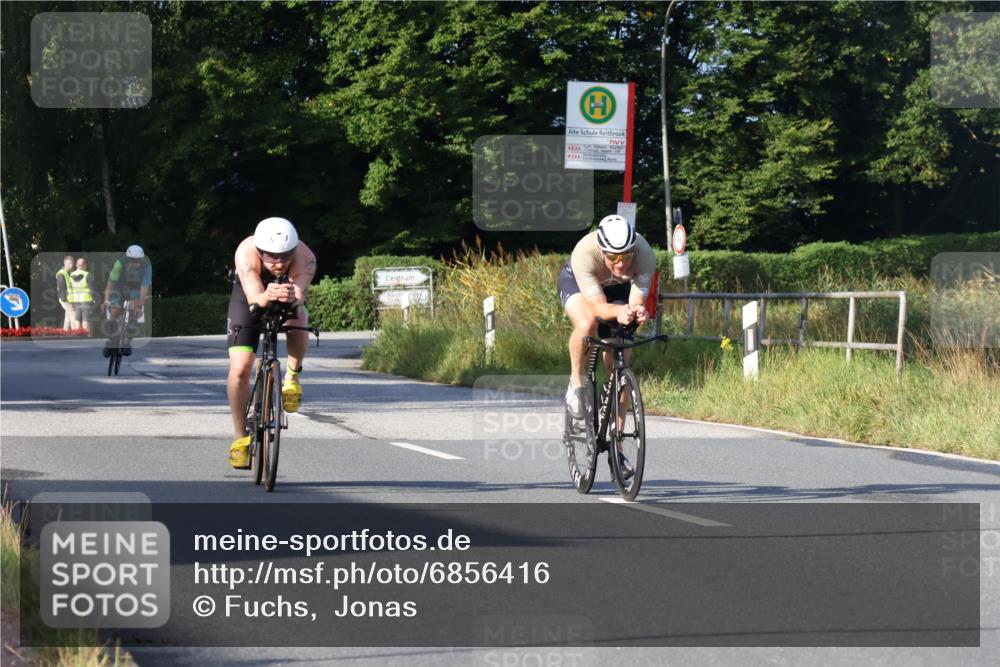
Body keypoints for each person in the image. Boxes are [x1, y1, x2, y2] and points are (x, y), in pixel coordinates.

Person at [557, 214, 657, 476]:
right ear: (602, 250)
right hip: (581, 289)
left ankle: (617, 446)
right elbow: (597, 306)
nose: (621, 263)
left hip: (618, 292)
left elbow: (636, 301)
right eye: (613, 257)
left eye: (626, 255)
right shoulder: (585, 253)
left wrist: (636, 312)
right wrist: (620, 310)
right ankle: (577, 382)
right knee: (588, 324)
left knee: (621, 354)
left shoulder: (645, 254)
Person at [227, 217, 316, 469]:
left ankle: (292, 378)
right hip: (248, 297)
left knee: (298, 322)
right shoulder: (246, 253)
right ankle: (240, 438)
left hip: (286, 296)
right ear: (259, 250)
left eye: (284, 256)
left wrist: (290, 298)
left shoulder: (305, 257)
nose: (278, 263)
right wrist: (266, 295)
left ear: (293, 250)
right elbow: (254, 298)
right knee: (240, 369)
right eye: (271, 256)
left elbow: (298, 296)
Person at [102, 245, 152, 357]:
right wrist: (106, 300)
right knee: (114, 312)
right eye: (132, 260)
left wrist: (140, 306)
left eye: (138, 261)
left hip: (136, 287)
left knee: (134, 310)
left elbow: (144, 287)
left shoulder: (146, 265)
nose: (135, 263)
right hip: (119, 286)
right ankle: (110, 341)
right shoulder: (120, 263)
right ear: (127, 258)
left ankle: (127, 342)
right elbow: (110, 284)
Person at [68, 257, 96, 334]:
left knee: (77, 318)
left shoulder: (71, 275)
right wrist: (94, 298)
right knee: (85, 319)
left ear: (76, 265)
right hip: (86, 300)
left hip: (75, 300)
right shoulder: (88, 275)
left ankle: (78, 336)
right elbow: (91, 288)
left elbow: (69, 288)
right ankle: (86, 336)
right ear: (85, 265)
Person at [56, 255, 77, 330]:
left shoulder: (68, 273)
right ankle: (76, 333)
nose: (71, 265)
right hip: (66, 299)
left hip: (70, 299)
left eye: (72, 263)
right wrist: (64, 299)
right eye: (69, 263)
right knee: (73, 316)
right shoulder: (61, 273)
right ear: (65, 263)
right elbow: (61, 287)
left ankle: (65, 333)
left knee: (68, 317)